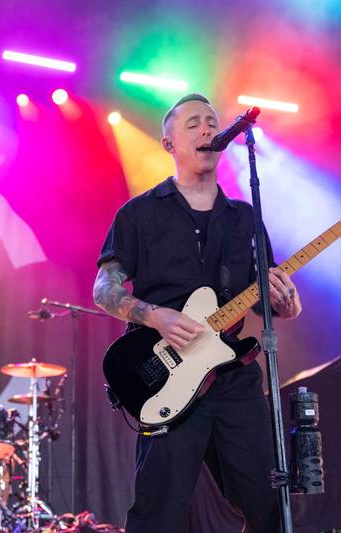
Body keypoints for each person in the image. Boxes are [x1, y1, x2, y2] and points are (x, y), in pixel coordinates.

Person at [93, 93, 302, 533]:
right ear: (169, 143)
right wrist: (154, 316)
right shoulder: (138, 213)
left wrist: (286, 304)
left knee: (268, 503)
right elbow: (104, 288)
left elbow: (266, 298)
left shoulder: (245, 217)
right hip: (166, 375)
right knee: (158, 512)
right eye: (193, 124)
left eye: (211, 121)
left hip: (234, 377)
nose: (208, 129)